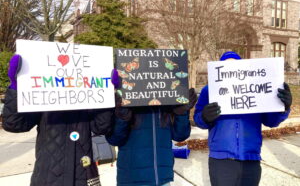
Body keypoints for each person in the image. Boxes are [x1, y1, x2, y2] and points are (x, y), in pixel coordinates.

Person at [2, 54, 116, 186]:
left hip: (83, 176)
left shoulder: (88, 97)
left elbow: (102, 127)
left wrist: (106, 96)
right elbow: (14, 124)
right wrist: (16, 89)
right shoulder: (42, 96)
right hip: (47, 177)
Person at [193, 51, 293, 186]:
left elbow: (271, 121)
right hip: (221, 158)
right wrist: (204, 117)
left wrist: (284, 107)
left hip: (251, 157)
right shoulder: (208, 91)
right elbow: (198, 119)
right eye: (227, 69)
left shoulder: (256, 91)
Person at [106, 89, 197, 186]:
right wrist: (122, 116)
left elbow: (180, 135)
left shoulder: (169, 95)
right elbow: (114, 139)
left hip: (162, 179)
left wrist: (182, 112)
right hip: (131, 179)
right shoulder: (124, 92)